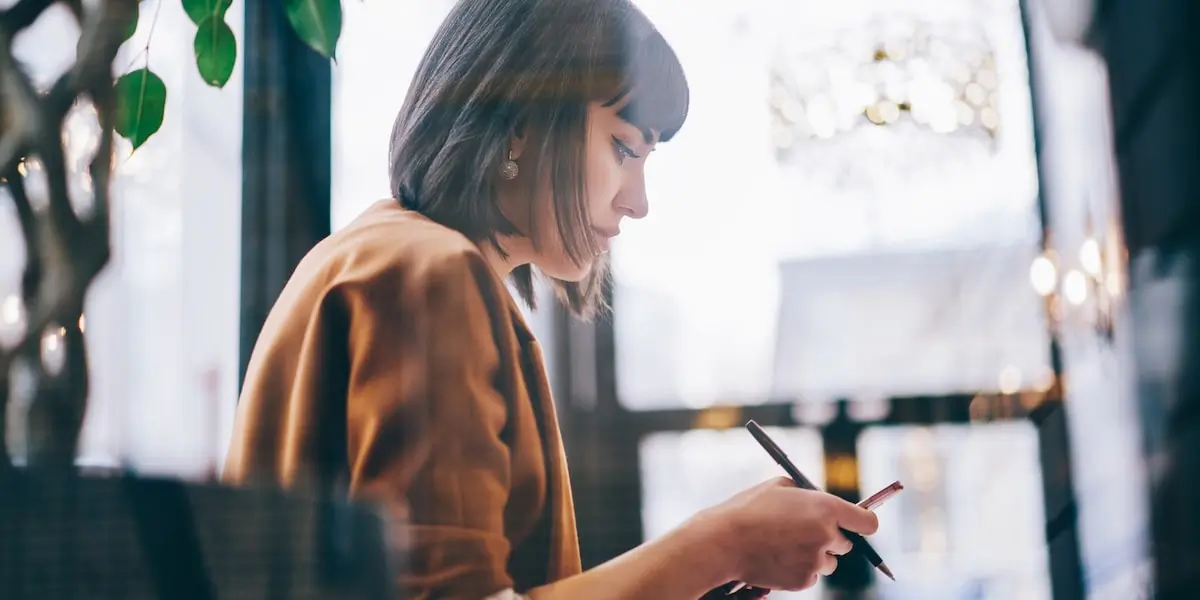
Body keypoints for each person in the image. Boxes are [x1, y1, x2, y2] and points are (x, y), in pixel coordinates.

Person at [222, 0, 880, 598]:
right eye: (624, 147)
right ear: (519, 126)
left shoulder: (383, 253)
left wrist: (716, 566)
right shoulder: (430, 274)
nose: (639, 202)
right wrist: (722, 543)